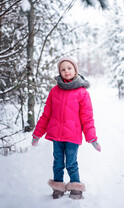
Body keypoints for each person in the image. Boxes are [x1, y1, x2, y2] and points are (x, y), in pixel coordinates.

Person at [32, 57, 101, 200]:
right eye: (63, 69)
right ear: (59, 72)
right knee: (58, 162)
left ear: (75, 70)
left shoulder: (82, 93)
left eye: (69, 68)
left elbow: (87, 118)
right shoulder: (54, 91)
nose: (66, 71)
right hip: (56, 135)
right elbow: (46, 115)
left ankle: (76, 188)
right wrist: (37, 134)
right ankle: (58, 187)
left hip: (72, 136)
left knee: (71, 162)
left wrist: (92, 138)